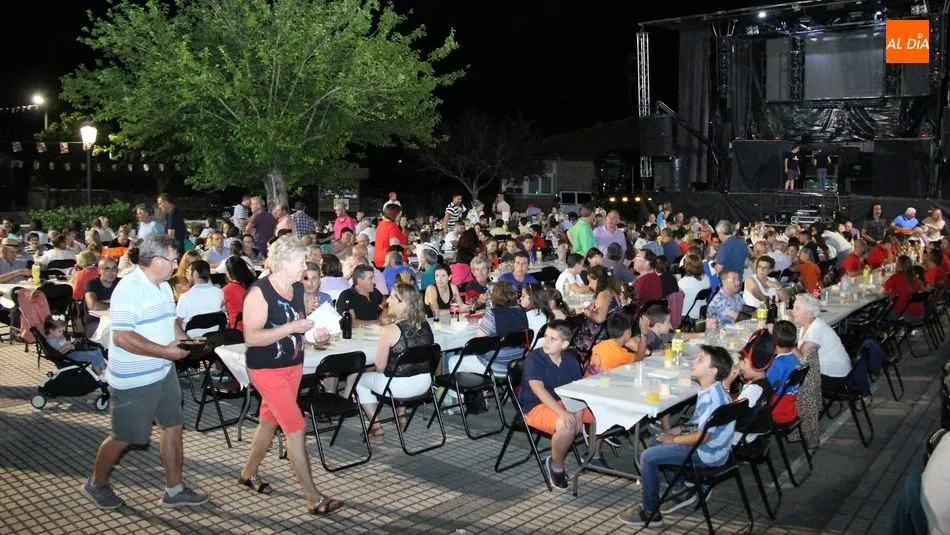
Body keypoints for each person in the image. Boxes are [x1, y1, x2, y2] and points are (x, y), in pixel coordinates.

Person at [81, 235, 208, 510]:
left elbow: (169, 322)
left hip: (163, 372)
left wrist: (186, 342)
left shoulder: (162, 286)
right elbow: (122, 338)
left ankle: (174, 489)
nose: (177, 266)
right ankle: (96, 483)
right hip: (135, 378)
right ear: (155, 260)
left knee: (174, 426)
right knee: (125, 436)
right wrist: (165, 352)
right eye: (173, 260)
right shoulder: (129, 289)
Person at [237, 234, 341, 515]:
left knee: (268, 423)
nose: (305, 267)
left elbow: (300, 330)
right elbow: (252, 337)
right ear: (283, 262)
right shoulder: (259, 292)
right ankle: (314, 498)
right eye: (301, 261)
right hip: (266, 369)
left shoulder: (296, 289)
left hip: (292, 365)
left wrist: (314, 334)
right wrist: (292, 329)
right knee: (296, 428)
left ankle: (248, 473)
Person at [619, 345, 734, 526]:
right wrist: (676, 431)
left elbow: (703, 436)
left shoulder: (713, 399)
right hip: (714, 450)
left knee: (648, 456)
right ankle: (680, 489)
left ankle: (650, 512)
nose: (694, 361)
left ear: (713, 371)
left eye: (701, 359)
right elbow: (699, 424)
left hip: (707, 454)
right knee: (656, 441)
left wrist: (675, 439)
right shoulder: (714, 390)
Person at [519, 320, 594, 491]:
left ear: (565, 344)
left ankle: (595, 455)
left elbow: (577, 391)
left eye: (552, 339)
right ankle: (556, 465)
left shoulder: (570, 360)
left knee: (599, 413)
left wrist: (579, 417)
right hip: (534, 405)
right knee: (566, 425)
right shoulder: (534, 358)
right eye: (545, 336)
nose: (545, 341)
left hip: (564, 401)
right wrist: (564, 414)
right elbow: (538, 390)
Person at [357, 282, 435, 442]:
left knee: (360, 381)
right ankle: (401, 416)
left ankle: (376, 429)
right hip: (425, 383)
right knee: (401, 370)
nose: (387, 301)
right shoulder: (426, 325)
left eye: (392, 297)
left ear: (404, 303)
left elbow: (380, 367)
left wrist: (366, 370)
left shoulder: (391, 330)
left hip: (400, 388)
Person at [447, 281, 529, 376]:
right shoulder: (521, 311)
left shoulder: (493, 314)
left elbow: (478, 341)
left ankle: (464, 390)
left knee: (452, 361)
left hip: (495, 365)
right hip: (517, 364)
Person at [722, 329, 775, 446]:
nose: (740, 365)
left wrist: (726, 385)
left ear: (756, 365)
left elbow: (727, 413)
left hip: (738, 437)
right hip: (750, 432)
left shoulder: (754, 389)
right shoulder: (763, 382)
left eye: (744, 362)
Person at [791, 293, 852, 391]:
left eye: (797, 309)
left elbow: (801, 359)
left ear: (809, 313)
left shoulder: (816, 329)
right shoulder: (807, 324)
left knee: (789, 377)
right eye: (793, 307)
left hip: (835, 377)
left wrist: (784, 342)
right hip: (834, 371)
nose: (792, 311)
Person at [175, 260, 224, 338]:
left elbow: (177, 324)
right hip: (214, 340)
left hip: (193, 342)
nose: (187, 277)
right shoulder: (220, 292)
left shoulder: (185, 297)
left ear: (195, 273)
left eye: (188, 273)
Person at [768, 320, 802, 425]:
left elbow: (765, 387)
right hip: (789, 407)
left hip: (776, 410)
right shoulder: (795, 359)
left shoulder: (777, 365)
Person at [83, 257, 120, 338]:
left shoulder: (121, 283)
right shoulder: (91, 284)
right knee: (114, 331)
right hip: (95, 322)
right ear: (99, 271)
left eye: (114, 268)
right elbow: (93, 305)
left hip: (117, 320)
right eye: (107, 269)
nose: (112, 272)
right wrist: (115, 304)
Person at [882, 255, 925, 320]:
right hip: (919, 315)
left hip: (902, 316)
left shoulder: (895, 277)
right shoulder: (916, 279)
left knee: (879, 312)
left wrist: (890, 292)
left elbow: (881, 292)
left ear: (899, 266)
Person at [222, 256, 256, 331]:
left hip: (237, 330)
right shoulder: (255, 284)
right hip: (256, 327)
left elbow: (215, 307)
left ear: (229, 273)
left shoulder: (228, 290)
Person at [373, 204, 408, 269]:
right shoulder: (392, 225)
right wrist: (409, 247)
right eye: (399, 214)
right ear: (394, 214)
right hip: (391, 261)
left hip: (381, 259)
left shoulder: (381, 223)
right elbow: (394, 245)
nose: (400, 216)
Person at [678, 254, 711, 320]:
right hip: (702, 313)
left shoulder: (683, 282)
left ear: (686, 266)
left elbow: (677, 299)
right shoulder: (706, 278)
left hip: (687, 315)